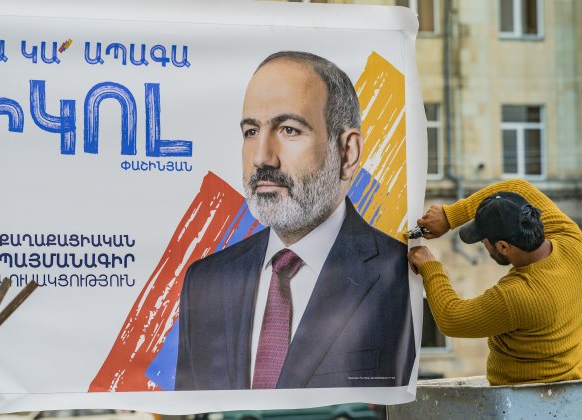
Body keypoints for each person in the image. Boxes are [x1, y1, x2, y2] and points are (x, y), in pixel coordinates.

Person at [175, 51, 415, 390]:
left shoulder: (398, 274)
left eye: (289, 129)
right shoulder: (205, 281)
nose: (262, 157)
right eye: (251, 130)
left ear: (348, 153)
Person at [407, 179, 582, 386]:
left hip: (525, 402)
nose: (483, 245)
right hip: (566, 388)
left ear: (503, 246)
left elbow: (452, 318)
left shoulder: (519, 295)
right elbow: (518, 188)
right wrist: (450, 216)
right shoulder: (571, 239)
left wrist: (430, 267)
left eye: (483, 240)